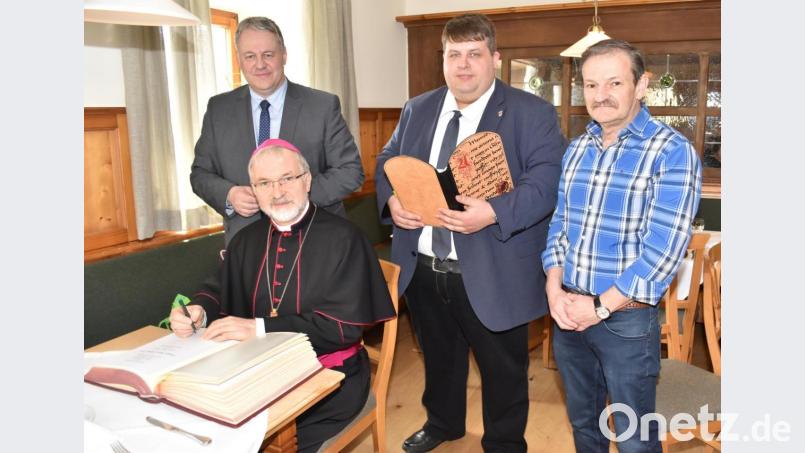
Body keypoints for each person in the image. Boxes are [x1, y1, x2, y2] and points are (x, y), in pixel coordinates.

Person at [375, 14, 566, 453]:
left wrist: (494, 212)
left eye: (474, 55)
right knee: (439, 358)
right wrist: (392, 200)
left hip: (494, 266)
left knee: (503, 370)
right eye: (454, 55)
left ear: (495, 59)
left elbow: (547, 182)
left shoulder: (530, 112)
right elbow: (388, 158)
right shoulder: (416, 108)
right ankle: (443, 424)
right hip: (423, 265)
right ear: (442, 60)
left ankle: (502, 442)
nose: (463, 65)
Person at [172, 139, 395, 453]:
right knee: (199, 424)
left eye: (286, 179)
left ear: (306, 181)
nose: (276, 192)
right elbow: (219, 288)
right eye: (264, 183)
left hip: (329, 379)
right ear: (253, 189)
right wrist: (199, 309)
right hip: (257, 373)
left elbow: (342, 329)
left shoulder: (345, 239)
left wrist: (259, 328)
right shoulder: (246, 240)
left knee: (264, 438)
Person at [541, 39, 702, 453]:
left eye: (614, 82)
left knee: (634, 438)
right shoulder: (576, 150)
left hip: (625, 322)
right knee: (584, 428)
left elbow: (663, 252)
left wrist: (598, 307)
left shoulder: (672, 151)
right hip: (568, 314)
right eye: (591, 85)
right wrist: (554, 288)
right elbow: (560, 225)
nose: (601, 95)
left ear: (641, 84)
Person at [191, 16, 364, 244]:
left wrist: (295, 195)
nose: (260, 64)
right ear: (239, 60)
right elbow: (200, 174)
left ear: (284, 55)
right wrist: (229, 194)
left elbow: (350, 171)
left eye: (268, 55)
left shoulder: (322, 106)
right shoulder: (218, 109)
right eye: (250, 56)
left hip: (314, 239)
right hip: (246, 244)